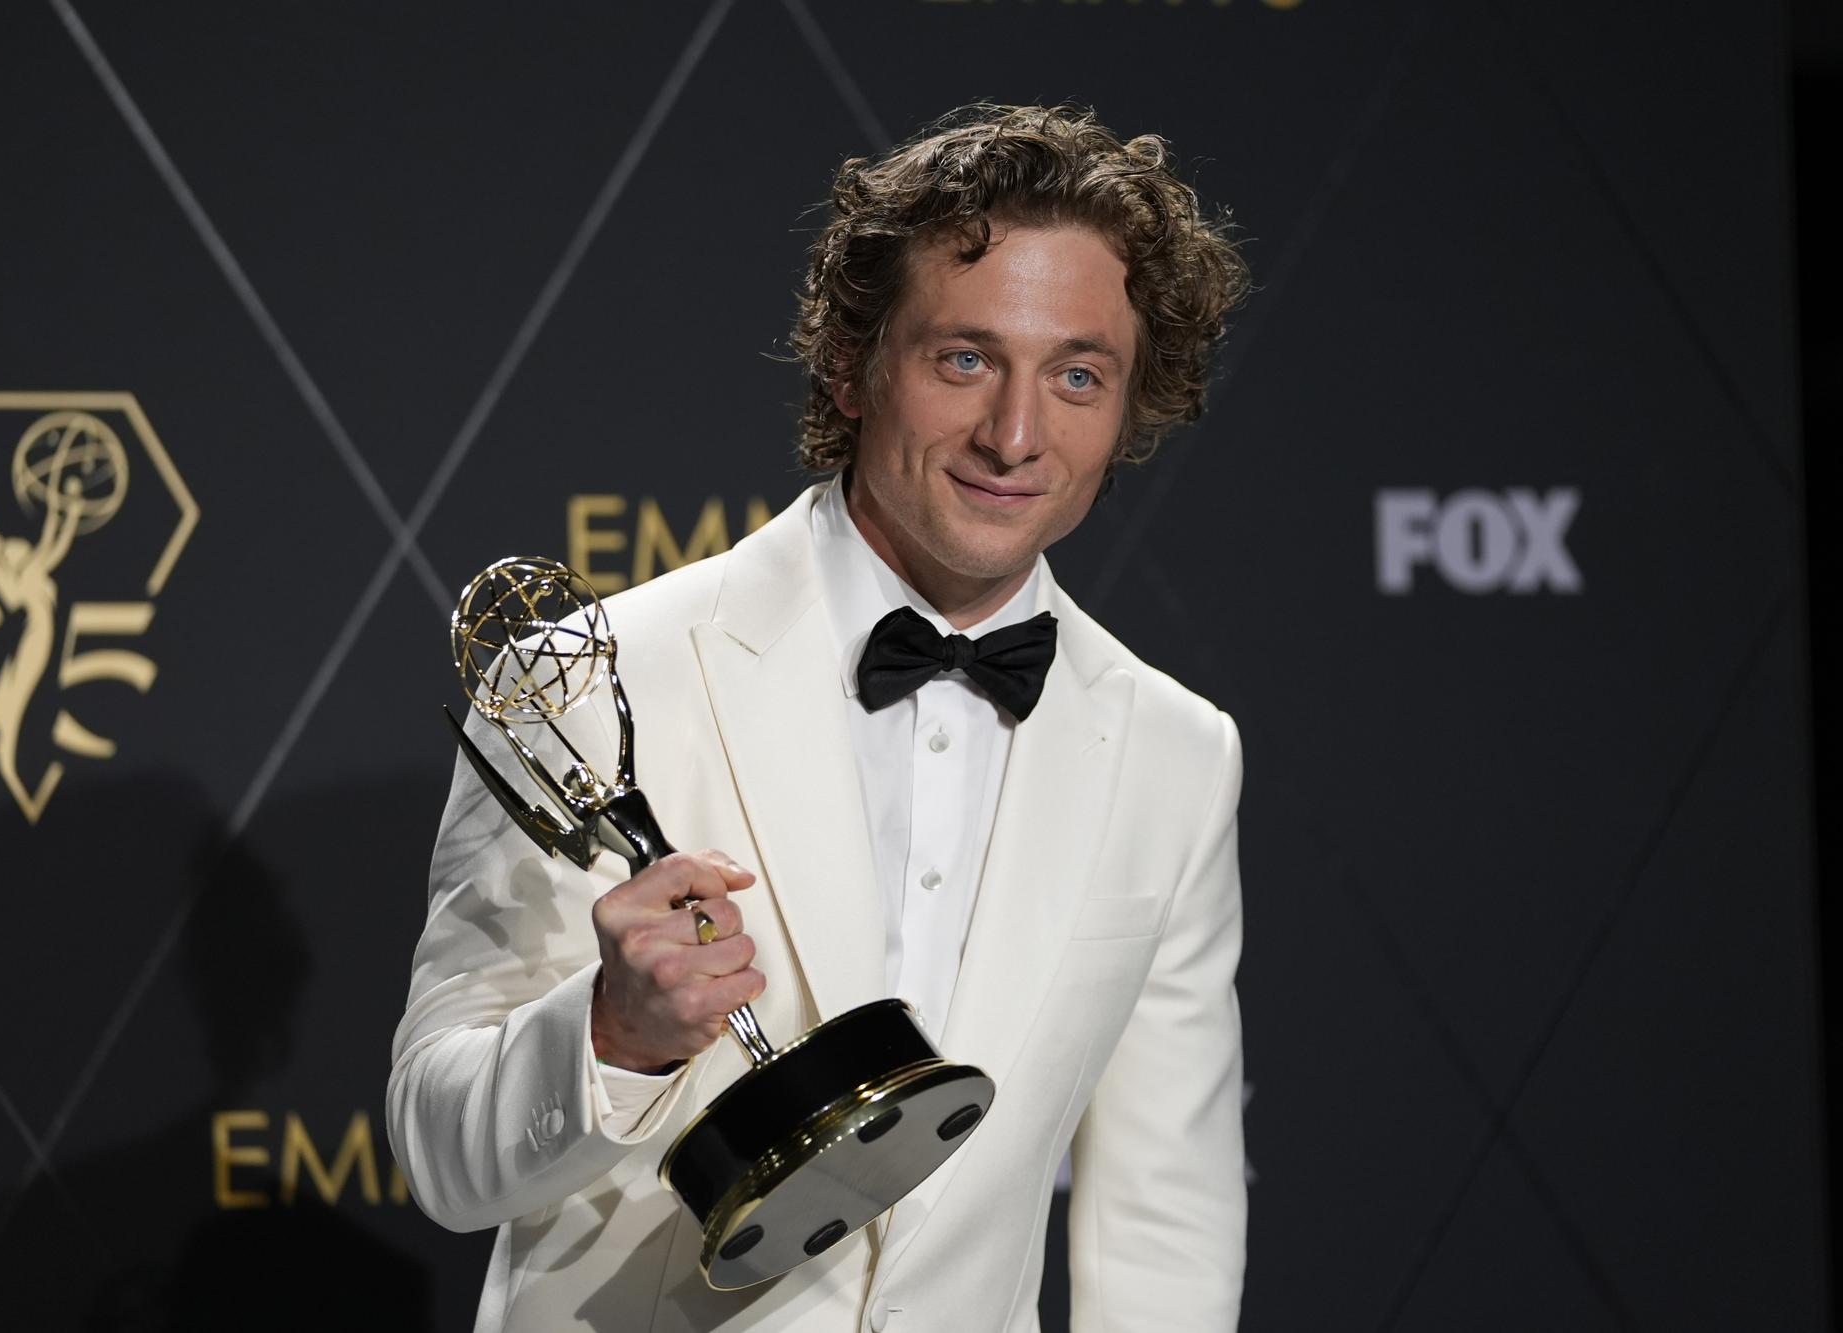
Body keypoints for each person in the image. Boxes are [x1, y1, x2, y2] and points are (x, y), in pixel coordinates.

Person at [388, 103, 1252, 1333]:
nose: (1015, 434)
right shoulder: (585, 680)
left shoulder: (1175, 751)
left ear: (1129, 404)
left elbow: (1165, 1217)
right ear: (851, 365)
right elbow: (440, 1148)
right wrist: (610, 1036)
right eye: (963, 358)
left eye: (1074, 375)